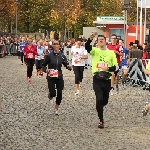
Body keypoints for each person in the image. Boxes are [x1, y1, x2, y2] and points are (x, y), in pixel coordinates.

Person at [85, 33, 118, 129]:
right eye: (99, 39)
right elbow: (87, 47)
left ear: (105, 41)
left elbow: (116, 67)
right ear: (97, 42)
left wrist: (107, 68)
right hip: (97, 79)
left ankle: (99, 107)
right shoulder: (94, 51)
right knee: (99, 99)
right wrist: (90, 38)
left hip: (107, 79)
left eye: (102, 39)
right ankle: (101, 120)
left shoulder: (111, 53)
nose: (100, 40)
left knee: (105, 100)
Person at [42, 40, 72, 115]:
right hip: (51, 77)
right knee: (53, 93)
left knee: (60, 93)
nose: (56, 46)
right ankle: (51, 95)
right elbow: (43, 65)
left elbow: (66, 64)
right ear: (52, 46)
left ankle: (56, 108)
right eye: (54, 44)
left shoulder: (62, 56)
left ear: (59, 46)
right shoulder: (49, 56)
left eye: (57, 44)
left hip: (59, 77)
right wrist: (46, 70)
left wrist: (69, 67)